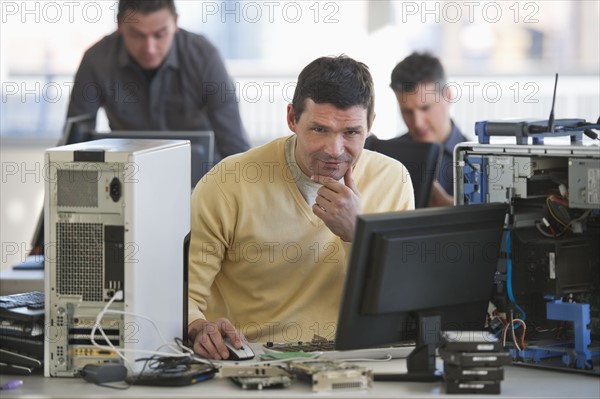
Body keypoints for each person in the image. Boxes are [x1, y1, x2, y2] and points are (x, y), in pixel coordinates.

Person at [187, 55, 415, 360]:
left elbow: (407, 301)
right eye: (319, 130)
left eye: (351, 133)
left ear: (370, 125)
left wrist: (360, 234)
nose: (335, 150)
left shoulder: (392, 179)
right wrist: (199, 327)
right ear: (292, 118)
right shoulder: (229, 183)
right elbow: (183, 296)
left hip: (359, 358)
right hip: (256, 358)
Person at [67, 0, 250, 161]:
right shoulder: (96, 61)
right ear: (120, 25)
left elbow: (233, 146)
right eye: (137, 35)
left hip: (200, 179)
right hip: (127, 179)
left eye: (160, 34)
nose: (150, 49)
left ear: (175, 23)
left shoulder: (204, 57)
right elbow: (73, 145)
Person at [390, 52, 469, 206]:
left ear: (448, 95)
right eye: (407, 111)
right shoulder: (387, 158)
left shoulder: (480, 162)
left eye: (425, 108)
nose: (418, 123)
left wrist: (450, 211)